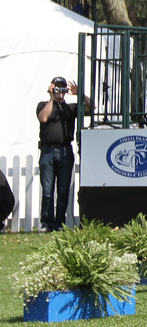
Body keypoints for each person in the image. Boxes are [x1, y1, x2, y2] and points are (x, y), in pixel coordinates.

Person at [36, 76, 91, 231]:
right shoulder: (43, 105)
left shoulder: (70, 108)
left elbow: (90, 108)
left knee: (63, 190)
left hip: (65, 150)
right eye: (57, 88)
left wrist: (79, 93)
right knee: (47, 191)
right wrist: (52, 97)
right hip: (48, 151)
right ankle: (46, 223)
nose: (60, 92)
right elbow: (44, 117)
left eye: (62, 88)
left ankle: (59, 223)